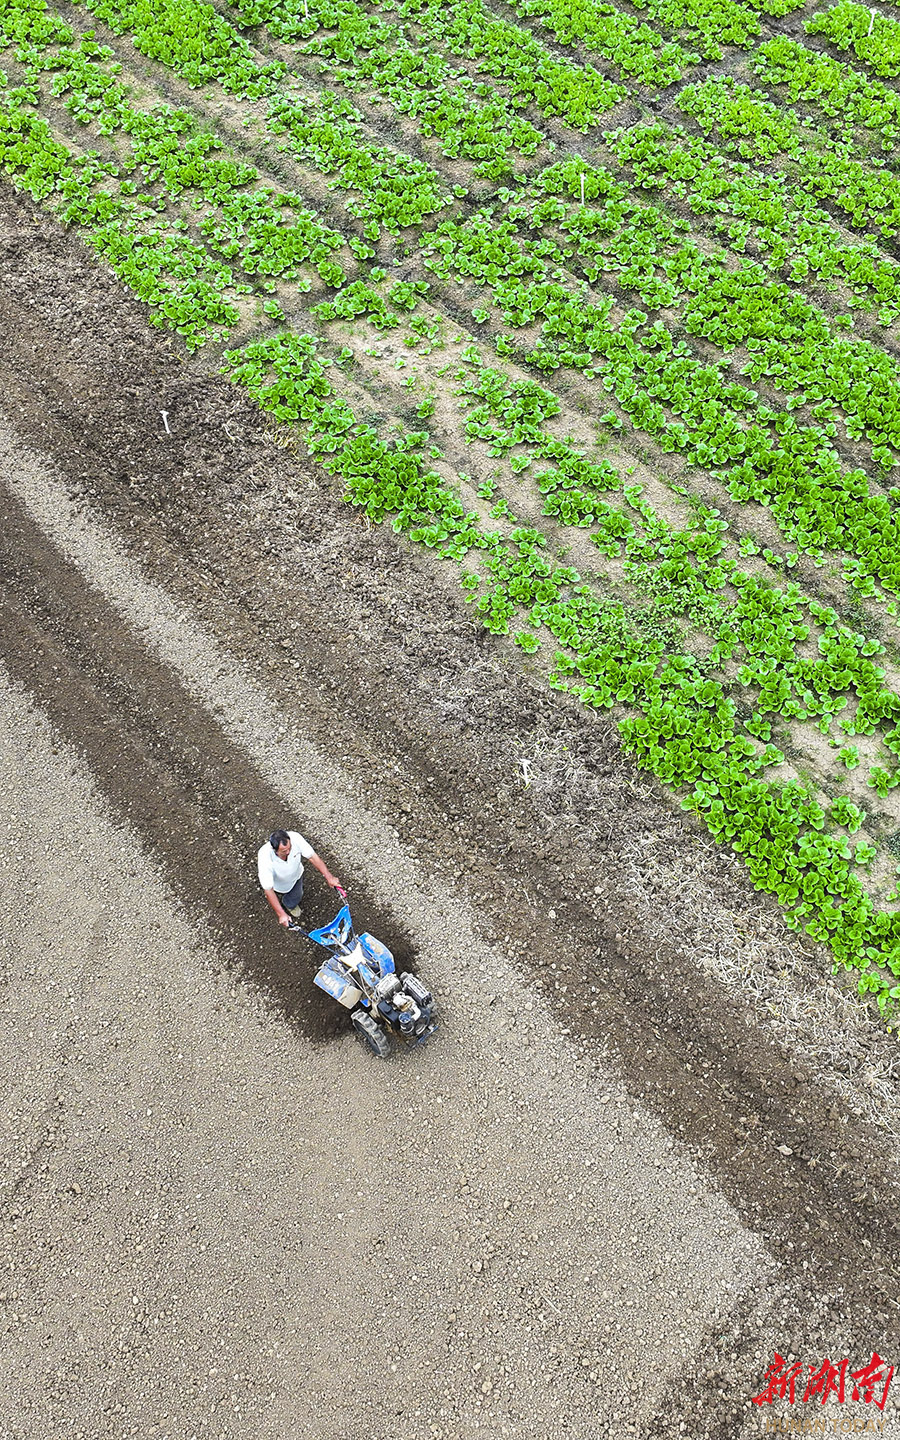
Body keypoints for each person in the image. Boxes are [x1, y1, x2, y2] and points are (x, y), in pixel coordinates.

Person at [257, 828, 343, 927]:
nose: (288, 852)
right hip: (279, 884)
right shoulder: (265, 856)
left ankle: (289, 904)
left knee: (297, 894)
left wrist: (329, 877)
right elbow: (268, 889)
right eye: (284, 851)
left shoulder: (295, 838)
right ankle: (286, 905)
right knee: (280, 891)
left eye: (290, 848)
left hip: (296, 875)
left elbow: (312, 857)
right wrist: (281, 914)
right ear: (274, 849)